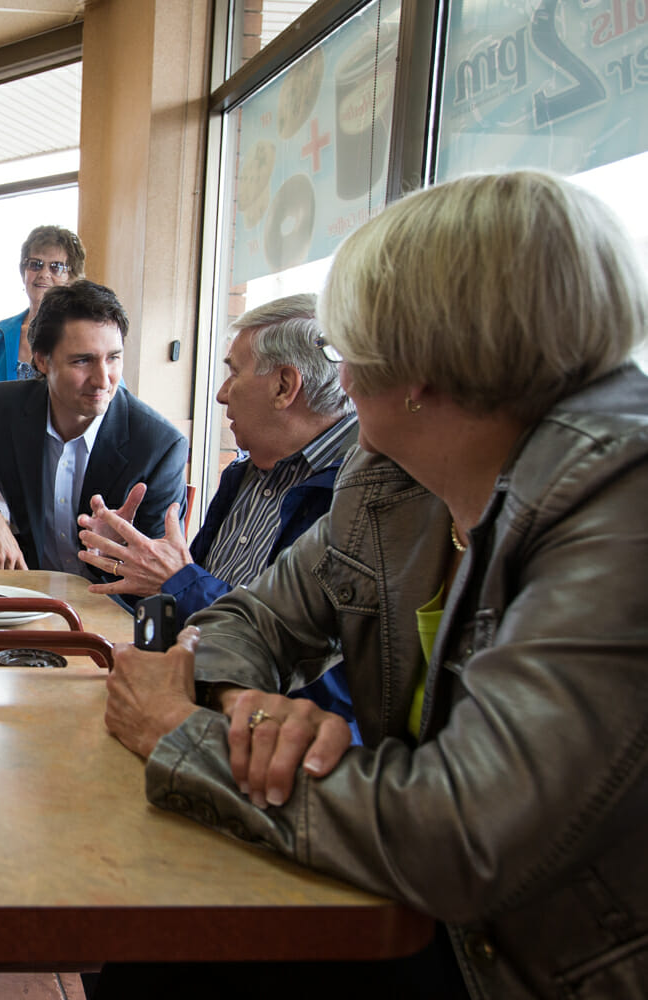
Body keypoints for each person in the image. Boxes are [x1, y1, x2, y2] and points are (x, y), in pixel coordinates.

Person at [98, 170, 648, 999]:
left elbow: (465, 838)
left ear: (421, 365)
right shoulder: (390, 477)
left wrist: (184, 735)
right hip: (434, 916)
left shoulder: (624, 505)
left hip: (532, 963)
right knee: (154, 948)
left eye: (353, 349)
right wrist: (246, 709)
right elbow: (255, 619)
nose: (341, 378)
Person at [79, 293, 358, 723]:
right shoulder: (243, 473)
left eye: (234, 373)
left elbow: (311, 664)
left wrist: (177, 580)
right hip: (190, 703)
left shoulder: (358, 495)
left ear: (285, 386)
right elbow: (190, 608)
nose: (221, 395)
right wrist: (131, 563)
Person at [0, 280, 187, 576]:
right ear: (42, 360)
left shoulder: (159, 446)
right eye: (83, 361)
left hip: (111, 608)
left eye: (113, 358)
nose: (103, 380)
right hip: (26, 598)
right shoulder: (3, 409)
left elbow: (162, 580)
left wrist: (122, 554)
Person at [0, 224, 85, 421]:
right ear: (24, 271)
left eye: (56, 267)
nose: (44, 273)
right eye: (35, 264)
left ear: (71, 277)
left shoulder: (87, 337)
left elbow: (108, 401)